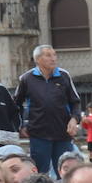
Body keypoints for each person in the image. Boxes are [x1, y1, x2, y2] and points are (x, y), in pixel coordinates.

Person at [13, 45, 81, 175]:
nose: (53, 58)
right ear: (37, 59)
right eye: (48, 55)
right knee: (40, 174)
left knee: (66, 173)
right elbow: (16, 105)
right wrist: (21, 125)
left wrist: (74, 119)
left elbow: (75, 102)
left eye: (54, 55)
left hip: (63, 133)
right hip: (39, 134)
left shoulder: (64, 76)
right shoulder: (26, 79)